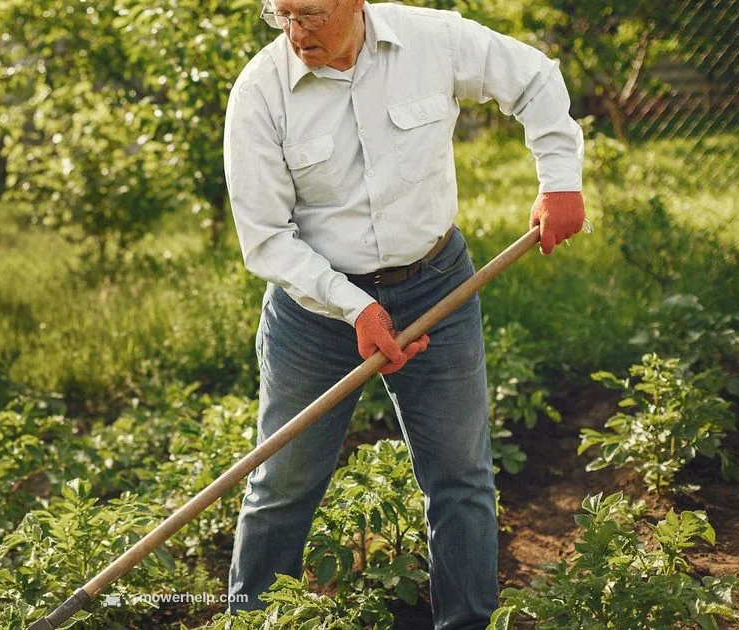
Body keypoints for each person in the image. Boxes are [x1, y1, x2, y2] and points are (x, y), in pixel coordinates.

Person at [221, 1, 585, 628]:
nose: (295, 32)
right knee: (283, 485)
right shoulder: (260, 92)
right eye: (280, 15)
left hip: (435, 288)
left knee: (460, 479)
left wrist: (560, 179)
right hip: (318, 311)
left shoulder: (431, 40)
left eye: (308, 14)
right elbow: (265, 239)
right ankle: (253, 620)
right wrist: (356, 307)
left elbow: (533, 77)